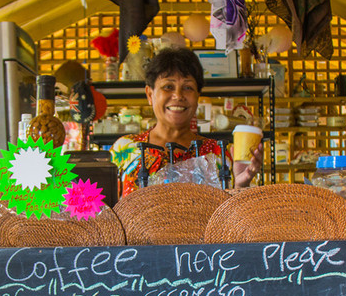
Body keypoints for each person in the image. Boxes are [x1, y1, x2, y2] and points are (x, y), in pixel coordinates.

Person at [111, 47, 263, 195]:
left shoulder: (218, 154)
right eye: (168, 86)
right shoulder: (125, 150)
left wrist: (241, 184)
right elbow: (104, 212)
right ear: (150, 94)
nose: (178, 95)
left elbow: (230, 217)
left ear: (198, 96)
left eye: (188, 87)